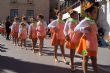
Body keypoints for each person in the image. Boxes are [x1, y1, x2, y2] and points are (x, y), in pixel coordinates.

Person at [71, 4, 99, 73]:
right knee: (85, 58)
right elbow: (75, 29)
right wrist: (84, 28)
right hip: (85, 44)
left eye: (96, 12)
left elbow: (95, 31)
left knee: (94, 60)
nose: (96, 14)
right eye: (94, 12)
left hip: (93, 44)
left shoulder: (93, 21)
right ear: (89, 13)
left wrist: (97, 35)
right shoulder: (85, 20)